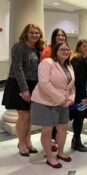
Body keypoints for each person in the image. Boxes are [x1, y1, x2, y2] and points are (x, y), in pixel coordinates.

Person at [2, 24, 45, 156]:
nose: (35, 35)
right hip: (18, 84)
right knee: (23, 116)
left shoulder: (37, 49)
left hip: (33, 85)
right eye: (32, 32)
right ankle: (21, 143)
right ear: (26, 33)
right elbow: (17, 68)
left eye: (37, 33)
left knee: (30, 116)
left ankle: (28, 141)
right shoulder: (19, 46)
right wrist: (24, 89)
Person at [31, 42, 75, 168]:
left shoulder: (69, 66)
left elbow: (71, 86)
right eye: (62, 49)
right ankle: (50, 157)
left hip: (64, 103)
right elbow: (44, 83)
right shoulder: (47, 62)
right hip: (46, 101)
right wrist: (61, 98)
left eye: (67, 49)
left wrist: (71, 99)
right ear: (56, 50)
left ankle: (60, 152)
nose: (65, 51)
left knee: (63, 128)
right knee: (47, 130)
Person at [40, 28, 68, 152]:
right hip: (50, 91)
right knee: (49, 123)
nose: (61, 37)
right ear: (54, 36)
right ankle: (49, 147)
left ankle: (57, 143)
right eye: (58, 35)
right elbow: (43, 74)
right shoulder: (48, 51)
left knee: (59, 122)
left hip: (62, 92)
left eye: (63, 35)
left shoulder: (66, 50)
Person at [69, 39, 87, 152]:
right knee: (78, 117)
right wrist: (83, 97)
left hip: (85, 91)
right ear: (79, 47)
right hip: (80, 93)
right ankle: (76, 142)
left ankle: (75, 140)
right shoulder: (78, 59)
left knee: (80, 117)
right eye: (84, 46)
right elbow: (79, 80)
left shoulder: (84, 59)